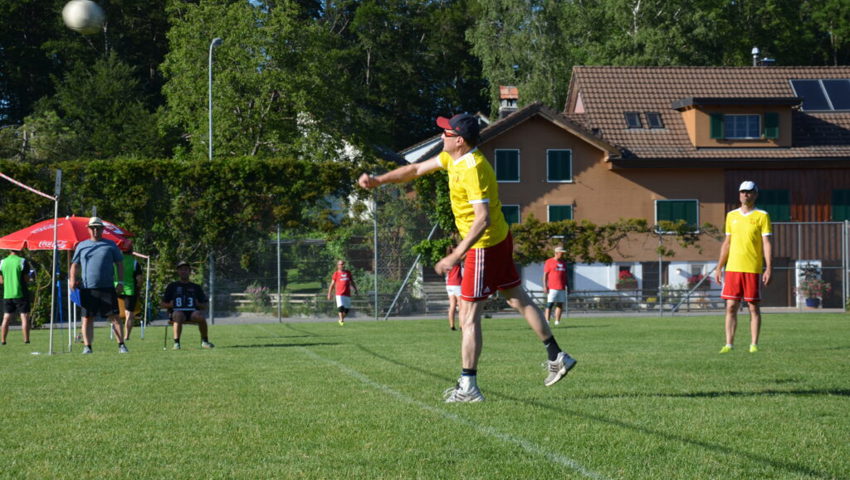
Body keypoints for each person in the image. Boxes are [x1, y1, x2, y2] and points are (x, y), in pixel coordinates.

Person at [358, 113, 577, 402]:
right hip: (496, 240)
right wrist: (378, 181)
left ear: (459, 140)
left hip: (483, 246)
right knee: (516, 297)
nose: (441, 137)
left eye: (446, 133)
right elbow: (414, 170)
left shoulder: (473, 168)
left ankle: (469, 387)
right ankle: (557, 355)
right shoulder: (454, 158)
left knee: (468, 315)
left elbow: (481, 219)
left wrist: (456, 255)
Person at [714, 180, 773, 354]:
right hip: (732, 268)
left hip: (753, 268)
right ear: (739, 194)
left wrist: (768, 267)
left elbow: (766, 243)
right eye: (742, 191)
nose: (745, 194)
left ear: (755, 194)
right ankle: (729, 344)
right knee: (730, 306)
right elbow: (727, 243)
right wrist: (719, 267)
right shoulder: (731, 216)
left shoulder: (762, 216)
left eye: (749, 192)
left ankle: (753, 344)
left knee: (753, 307)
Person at [69, 217, 128, 354]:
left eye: (98, 228)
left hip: (107, 287)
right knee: (87, 318)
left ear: (102, 229)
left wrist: (121, 282)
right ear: (88, 229)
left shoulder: (111, 245)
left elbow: (119, 263)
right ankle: (87, 347)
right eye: (93, 228)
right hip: (88, 288)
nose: (95, 230)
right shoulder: (82, 246)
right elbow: (74, 264)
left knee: (114, 317)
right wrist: (72, 279)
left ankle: (121, 345)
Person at [162, 261, 214, 350]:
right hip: (177, 313)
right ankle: (176, 343)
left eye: (186, 270)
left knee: (200, 316)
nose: (183, 272)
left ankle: (204, 341)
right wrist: (170, 305)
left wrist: (198, 304)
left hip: (192, 313)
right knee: (178, 314)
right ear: (178, 272)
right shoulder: (172, 286)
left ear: (189, 271)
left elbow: (205, 305)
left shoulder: (196, 287)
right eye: (181, 270)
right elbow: (162, 304)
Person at [0, 249, 35, 345]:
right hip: (20, 293)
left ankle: (3, 340)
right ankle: (26, 340)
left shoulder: (2, 262)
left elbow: (1, 281)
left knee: (6, 317)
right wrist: (31, 278)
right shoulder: (22, 261)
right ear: (19, 250)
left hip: (7, 294)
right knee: (24, 316)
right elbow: (26, 278)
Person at [114, 239, 143, 341]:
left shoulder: (115, 261)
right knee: (129, 314)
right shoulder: (134, 262)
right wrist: (139, 289)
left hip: (116, 289)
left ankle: (118, 335)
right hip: (130, 290)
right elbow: (139, 280)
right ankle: (126, 336)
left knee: (115, 314)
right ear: (131, 249)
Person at [327, 260, 358, 326]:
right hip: (339, 294)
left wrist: (355, 289)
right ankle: (341, 319)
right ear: (338, 265)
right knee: (341, 307)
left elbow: (352, 282)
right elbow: (332, 284)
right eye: (341, 264)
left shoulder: (348, 273)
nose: (342, 265)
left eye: (343, 264)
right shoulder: (336, 274)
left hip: (347, 294)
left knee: (346, 309)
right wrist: (329, 294)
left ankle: (341, 319)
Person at [543, 245, 569, 326]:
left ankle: (557, 321)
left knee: (560, 304)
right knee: (549, 304)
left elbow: (565, 276)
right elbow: (545, 275)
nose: (563, 254)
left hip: (561, 287)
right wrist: (545, 286)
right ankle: (547, 321)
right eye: (562, 253)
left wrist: (568, 286)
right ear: (556, 253)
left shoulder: (563, 263)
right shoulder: (549, 262)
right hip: (552, 288)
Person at [445, 245, 463, 331]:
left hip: (449, 284)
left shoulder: (447, 260)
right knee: (461, 306)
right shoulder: (455, 259)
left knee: (452, 305)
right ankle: (461, 325)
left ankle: (452, 325)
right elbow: (465, 255)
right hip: (457, 284)